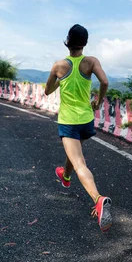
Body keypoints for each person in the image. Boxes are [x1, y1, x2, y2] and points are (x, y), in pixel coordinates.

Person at [44, 24, 112, 232]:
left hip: (69, 121)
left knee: (79, 162)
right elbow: (105, 82)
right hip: (86, 120)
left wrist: (60, 80)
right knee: (74, 155)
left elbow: (47, 91)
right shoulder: (91, 62)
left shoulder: (58, 66)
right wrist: (98, 102)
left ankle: (98, 199)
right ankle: (65, 176)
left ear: (68, 41)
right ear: (85, 42)